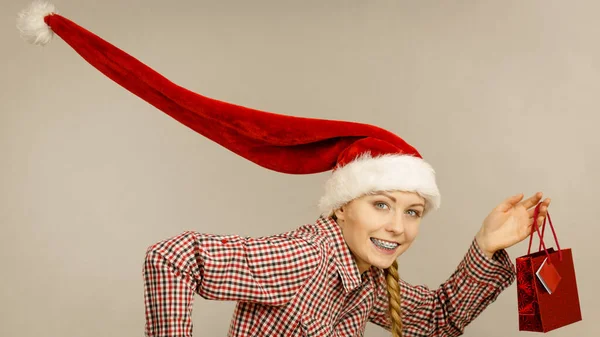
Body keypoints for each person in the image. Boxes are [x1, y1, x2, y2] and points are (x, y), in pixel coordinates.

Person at [16, 2, 552, 336]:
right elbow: (173, 258)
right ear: (344, 205)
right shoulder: (302, 259)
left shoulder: (363, 278)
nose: (398, 226)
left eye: (412, 212)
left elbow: (437, 322)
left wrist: (485, 246)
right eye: (381, 204)